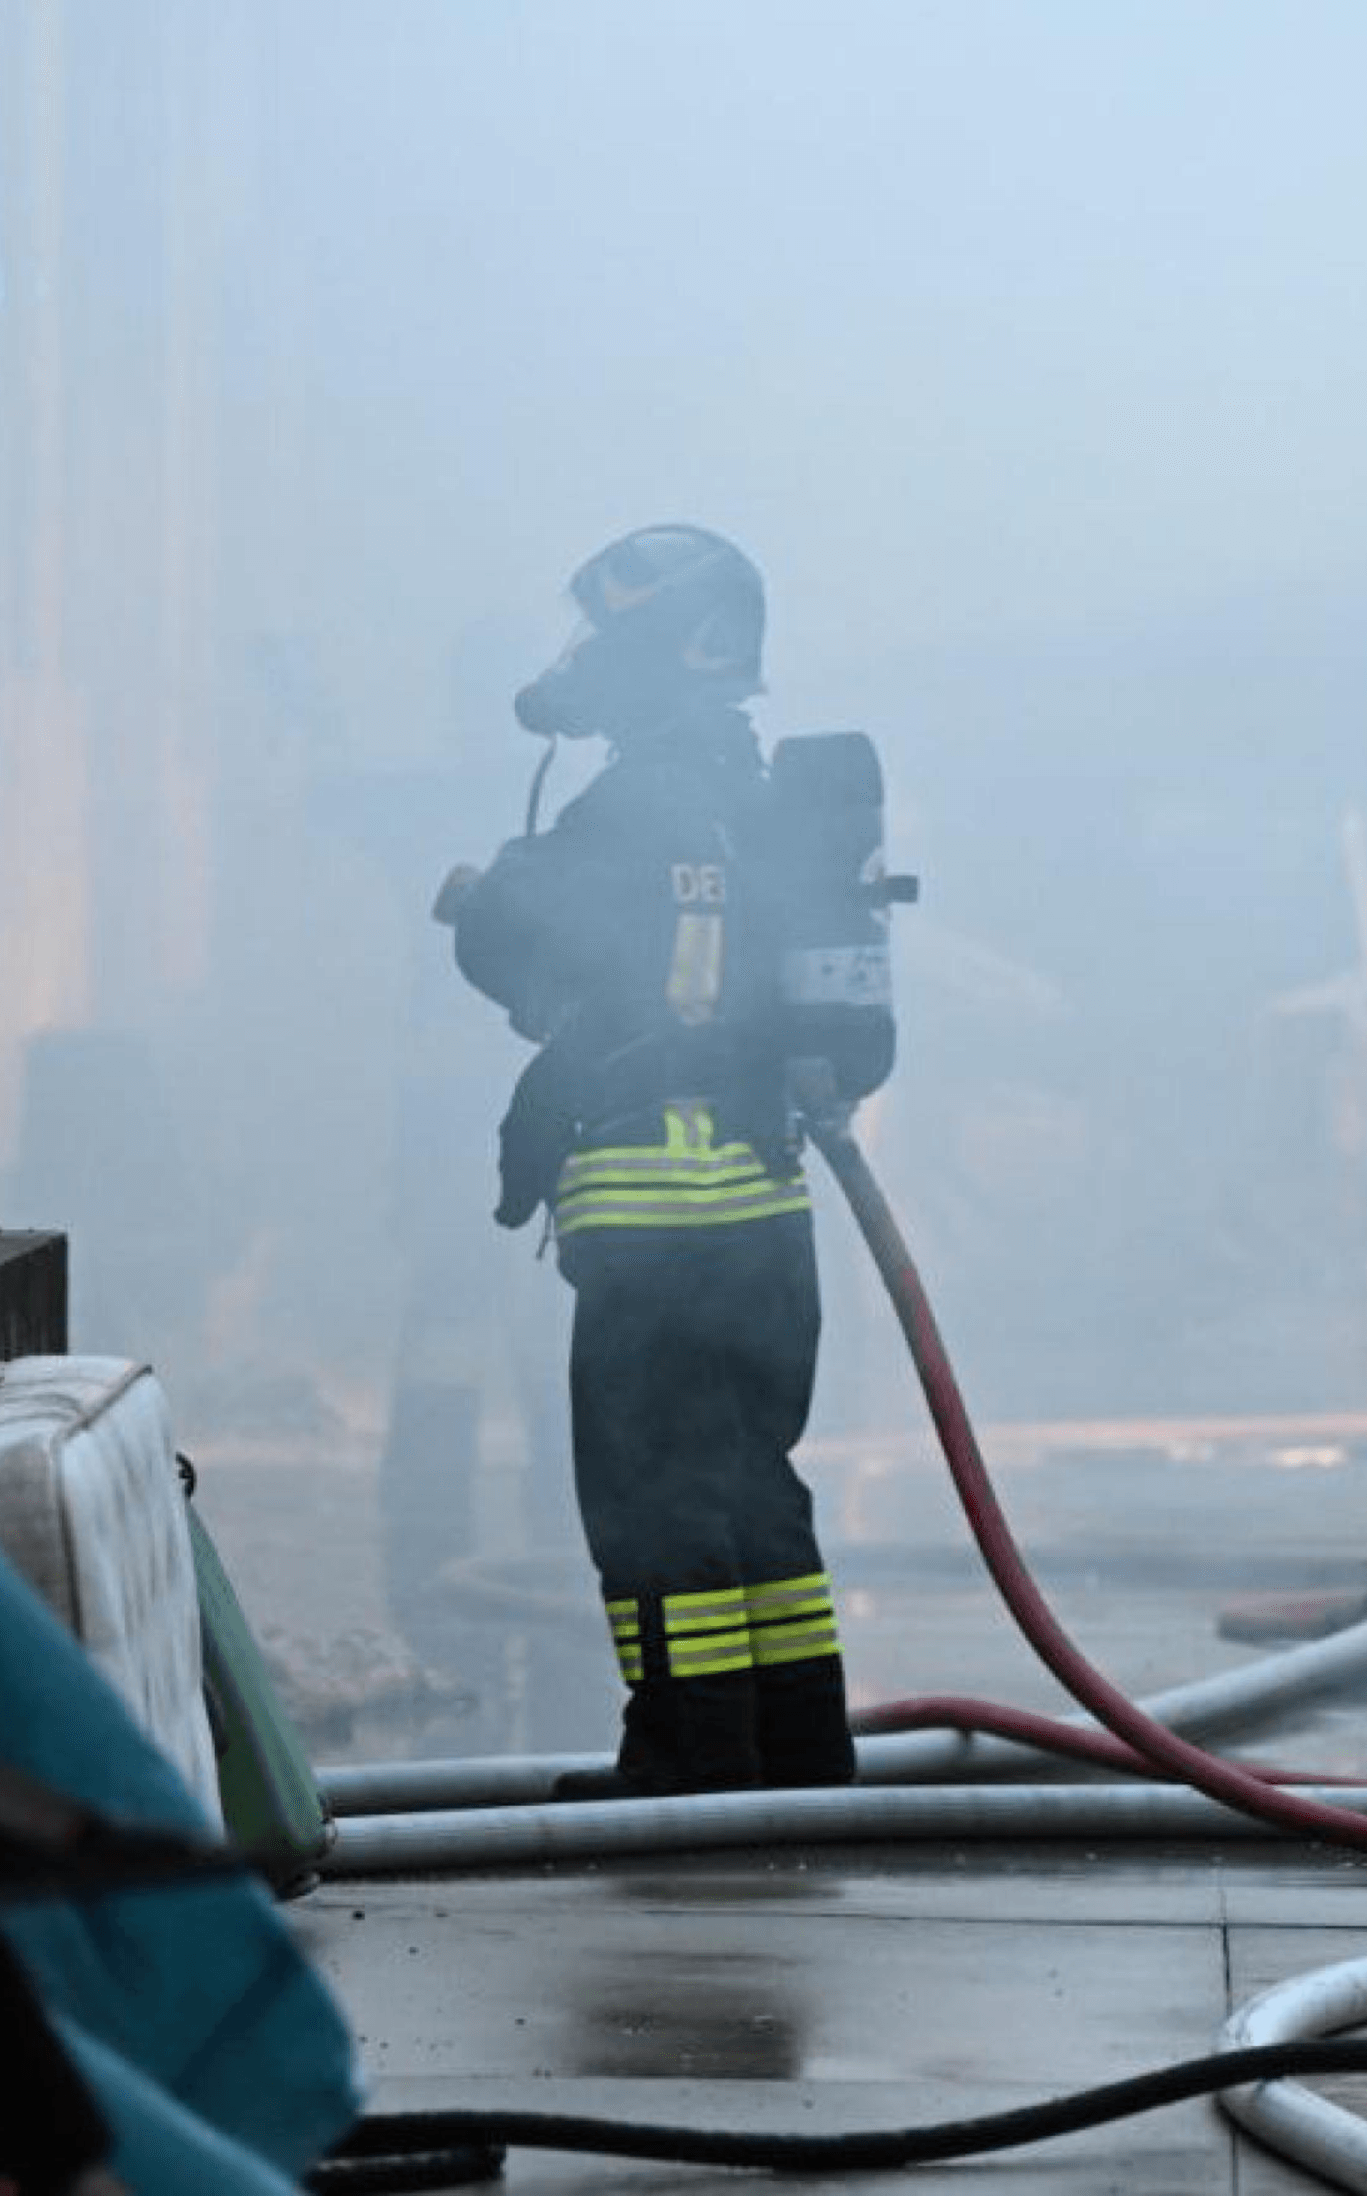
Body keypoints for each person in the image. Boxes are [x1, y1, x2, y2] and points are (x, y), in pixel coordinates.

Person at [440, 524, 859, 1798]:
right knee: (750, 1488)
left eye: (601, 633)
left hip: (650, 1199)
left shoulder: (634, 802)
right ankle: (796, 1754)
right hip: (765, 1204)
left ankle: (686, 1761)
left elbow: (534, 939)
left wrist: (481, 893)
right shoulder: (765, 800)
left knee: (652, 1497)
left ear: (665, 645)